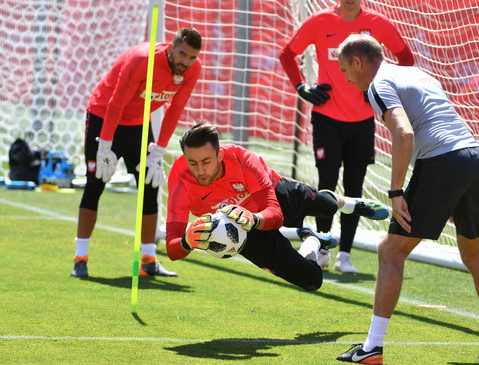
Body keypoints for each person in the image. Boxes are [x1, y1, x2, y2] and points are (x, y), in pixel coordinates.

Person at [334, 34, 479, 365]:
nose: (347, 78)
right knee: (474, 253)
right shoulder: (416, 73)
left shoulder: (378, 84)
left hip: (444, 162)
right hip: (474, 158)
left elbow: (405, 133)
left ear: (358, 62)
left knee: (390, 250)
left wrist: (396, 192)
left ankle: (372, 347)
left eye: (346, 70)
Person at [279, 0, 414, 274]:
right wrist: (302, 87)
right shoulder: (319, 22)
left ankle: (346, 255)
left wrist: (383, 87)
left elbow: (406, 57)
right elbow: (287, 54)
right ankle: (324, 248)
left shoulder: (377, 24)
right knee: (327, 185)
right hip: (326, 119)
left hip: (363, 121)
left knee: (355, 188)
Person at [164, 120, 389, 291]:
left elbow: (275, 214)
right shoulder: (179, 180)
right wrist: (187, 241)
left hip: (274, 195)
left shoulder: (243, 159)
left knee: (328, 205)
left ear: (220, 155)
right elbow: (172, 249)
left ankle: (348, 203)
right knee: (312, 281)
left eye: (206, 162)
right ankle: (312, 239)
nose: (200, 171)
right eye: (193, 163)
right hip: (244, 234)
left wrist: (253, 218)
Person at [71, 28, 202, 279]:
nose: (185, 61)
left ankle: (148, 260)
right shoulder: (142, 61)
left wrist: (159, 151)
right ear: (170, 48)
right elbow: (115, 104)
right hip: (104, 117)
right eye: (182, 54)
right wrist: (105, 147)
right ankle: (80, 258)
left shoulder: (192, 70)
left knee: (150, 184)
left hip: (138, 125)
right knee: (95, 184)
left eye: (192, 57)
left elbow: (175, 109)